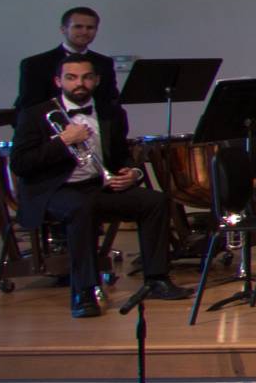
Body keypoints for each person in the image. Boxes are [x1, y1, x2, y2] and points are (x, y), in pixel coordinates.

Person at [12, 51, 183, 317]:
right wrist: (64, 141)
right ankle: (84, 292)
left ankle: (157, 279)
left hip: (96, 186)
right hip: (55, 191)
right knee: (81, 208)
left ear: (97, 80)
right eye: (71, 78)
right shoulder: (35, 114)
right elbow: (21, 164)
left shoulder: (111, 113)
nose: (79, 83)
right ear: (58, 81)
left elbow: (123, 155)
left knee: (154, 201)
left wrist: (133, 173)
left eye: (86, 77)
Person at [18, 6, 119, 108]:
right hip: (52, 122)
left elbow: (111, 102)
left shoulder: (105, 62)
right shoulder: (35, 64)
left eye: (90, 27)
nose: (84, 32)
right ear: (63, 29)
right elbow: (27, 108)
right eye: (78, 27)